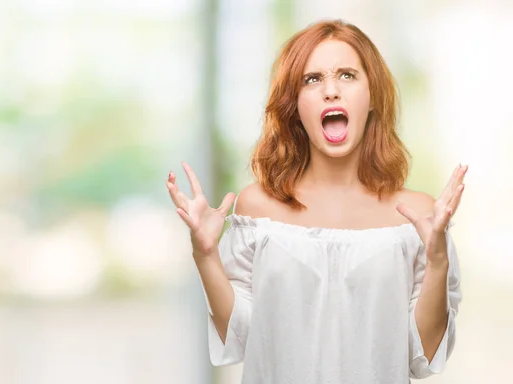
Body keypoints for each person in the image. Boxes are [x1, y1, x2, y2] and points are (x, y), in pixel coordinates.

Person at [166, 19, 467, 384]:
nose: (330, 91)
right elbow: (242, 338)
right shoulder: (258, 208)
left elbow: (424, 356)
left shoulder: (417, 216)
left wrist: (438, 261)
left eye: (347, 75)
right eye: (312, 79)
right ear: (294, 105)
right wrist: (205, 255)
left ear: (372, 97)